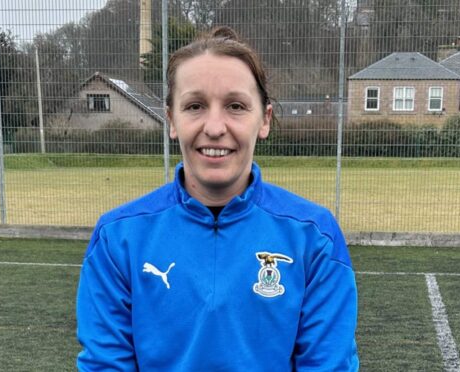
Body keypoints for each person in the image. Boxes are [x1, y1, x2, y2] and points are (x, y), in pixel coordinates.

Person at [76, 26, 359, 371]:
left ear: (264, 119)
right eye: (194, 106)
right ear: (171, 120)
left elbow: (327, 364)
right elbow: (106, 364)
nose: (214, 126)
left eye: (235, 106)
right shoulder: (117, 237)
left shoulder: (315, 235)